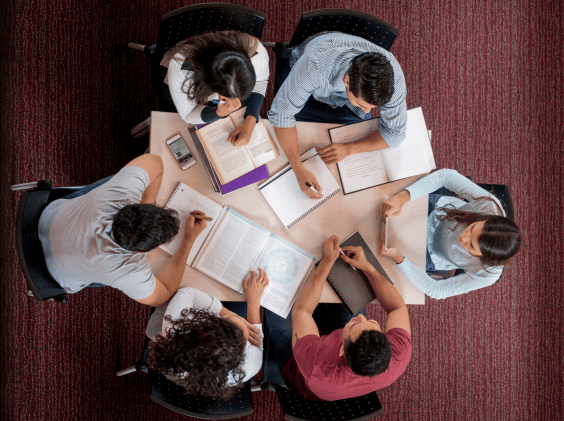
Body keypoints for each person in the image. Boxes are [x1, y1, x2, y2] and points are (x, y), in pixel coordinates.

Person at [38, 154, 208, 306]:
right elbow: (162, 297)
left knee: (120, 179)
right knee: (121, 281)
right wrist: (188, 240)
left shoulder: (120, 194)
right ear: (139, 251)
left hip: (46, 218)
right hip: (53, 272)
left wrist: (147, 208)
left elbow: (155, 161)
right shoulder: (126, 269)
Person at [264, 235, 412, 401]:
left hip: (298, 366)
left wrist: (327, 262)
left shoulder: (316, 367)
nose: (362, 317)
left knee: (274, 294)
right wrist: (368, 267)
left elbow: (302, 311)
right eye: (371, 322)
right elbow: (397, 308)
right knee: (351, 289)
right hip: (335, 358)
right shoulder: (399, 354)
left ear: (341, 349)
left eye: (356, 324)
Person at [267, 32, 407, 199]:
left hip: (345, 102)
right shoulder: (314, 65)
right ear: (347, 80)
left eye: (373, 107)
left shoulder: (393, 78)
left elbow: (395, 133)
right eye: (362, 105)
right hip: (313, 92)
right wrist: (297, 168)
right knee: (284, 156)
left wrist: (350, 148)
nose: (366, 113)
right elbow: (281, 115)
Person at [380, 169, 522, 300]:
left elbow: (436, 290)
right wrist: (404, 196)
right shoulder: (490, 206)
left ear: (483, 258)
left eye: (471, 245)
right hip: (436, 211)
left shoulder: (488, 274)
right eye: (472, 228)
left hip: (431, 254)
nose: (463, 237)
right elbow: (447, 176)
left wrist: (400, 260)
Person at [146, 269, 269, 400]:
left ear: (206, 322)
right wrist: (253, 303)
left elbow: (187, 292)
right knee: (239, 304)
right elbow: (256, 341)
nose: (240, 320)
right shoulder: (250, 365)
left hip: (172, 350)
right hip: (193, 376)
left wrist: (227, 314)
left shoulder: (176, 328)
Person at [159, 30, 270, 146]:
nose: (237, 101)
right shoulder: (180, 71)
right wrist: (218, 113)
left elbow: (260, 81)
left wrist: (250, 122)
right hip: (179, 81)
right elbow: (187, 114)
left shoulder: (256, 50)